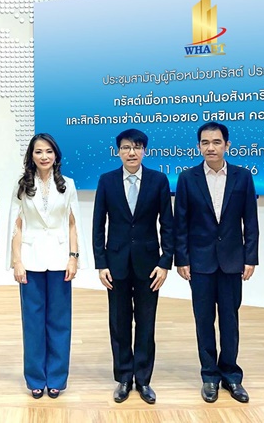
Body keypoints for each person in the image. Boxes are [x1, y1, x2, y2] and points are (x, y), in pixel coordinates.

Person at [174, 122, 259, 404]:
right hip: (199, 262)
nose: (210, 147)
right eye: (205, 142)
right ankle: (209, 375)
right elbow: (180, 222)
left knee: (230, 320)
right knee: (204, 320)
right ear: (199, 146)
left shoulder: (242, 177)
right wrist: (182, 258)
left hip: (233, 261)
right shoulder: (187, 178)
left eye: (216, 142)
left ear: (227, 145)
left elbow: (251, 220)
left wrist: (250, 257)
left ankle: (231, 375)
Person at [92, 128, 174, 405]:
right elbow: (98, 224)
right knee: (119, 322)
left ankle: (144, 379)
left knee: (146, 322)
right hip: (115, 264)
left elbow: (168, 224)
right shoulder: (106, 181)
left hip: (149, 266)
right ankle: (124, 378)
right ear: (118, 151)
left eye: (137, 147)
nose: (131, 152)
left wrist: (165, 262)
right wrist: (101, 262)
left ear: (144, 151)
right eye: (126, 147)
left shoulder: (158, 180)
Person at [7, 133, 89, 399]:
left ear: (56, 155)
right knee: (32, 322)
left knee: (59, 321)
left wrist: (74, 257)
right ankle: (35, 378)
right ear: (31, 156)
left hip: (60, 259)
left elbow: (73, 223)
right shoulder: (21, 184)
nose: (44, 156)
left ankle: (56, 377)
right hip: (30, 259)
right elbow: (16, 224)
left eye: (49, 152)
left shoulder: (68, 184)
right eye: (39, 152)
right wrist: (17, 261)